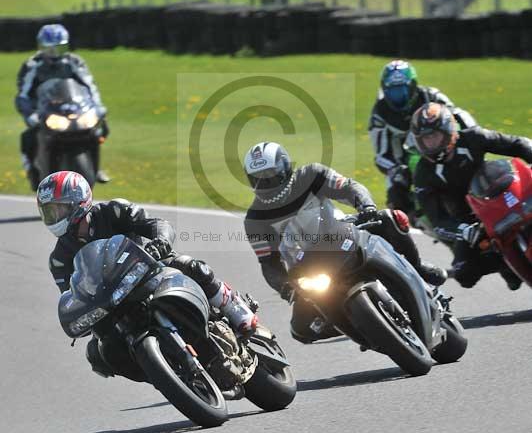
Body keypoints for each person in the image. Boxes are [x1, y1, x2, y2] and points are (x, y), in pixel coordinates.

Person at [37, 170, 257, 379]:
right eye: (48, 211)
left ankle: (235, 309)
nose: (54, 216)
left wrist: (160, 242)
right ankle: (164, 374)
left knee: (188, 265)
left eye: (58, 209)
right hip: (111, 303)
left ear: (79, 201)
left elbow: (156, 224)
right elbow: (72, 295)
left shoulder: (113, 210)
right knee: (99, 352)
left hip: (149, 271)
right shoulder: (59, 259)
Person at [242, 141, 446, 344]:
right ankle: (361, 327)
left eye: (269, 176)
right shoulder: (255, 220)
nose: (265, 184)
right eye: (257, 179)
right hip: (308, 264)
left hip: (344, 231)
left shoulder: (311, 175)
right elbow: (269, 263)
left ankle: (417, 268)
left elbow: (349, 187)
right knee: (301, 329)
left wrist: (366, 206)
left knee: (389, 218)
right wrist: (287, 289)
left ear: (285, 168)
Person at [410, 102, 532, 290]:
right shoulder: (423, 174)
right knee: (464, 274)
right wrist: (463, 230)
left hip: (500, 194)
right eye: (425, 139)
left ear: (448, 130)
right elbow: (438, 220)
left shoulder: (473, 137)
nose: (430, 143)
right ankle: (506, 264)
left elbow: (518, 144)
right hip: (470, 220)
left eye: (434, 136)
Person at [368, 59, 474, 219]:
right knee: (396, 203)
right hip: (407, 157)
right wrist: (397, 170)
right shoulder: (380, 112)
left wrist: (472, 135)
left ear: (412, 86)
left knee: (473, 157)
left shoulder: (431, 95)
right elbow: (381, 155)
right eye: (393, 91)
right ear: (384, 89)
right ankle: (424, 220)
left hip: (444, 144)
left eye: (403, 90)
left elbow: (459, 115)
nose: (399, 97)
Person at [15, 23, 110, 189]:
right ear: (41, 47)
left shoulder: (74, 62)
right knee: (28, 137)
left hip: (73, 109)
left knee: (99, 129)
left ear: (66, 46)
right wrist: (30, 113)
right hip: (44, 112)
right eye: (49, 49)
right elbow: (23, 94)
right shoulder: (32, 66)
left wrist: (97, 107)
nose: (54, 54)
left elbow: (90, 86)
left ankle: (94, 167)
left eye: (59, 48)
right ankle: (32, 169)